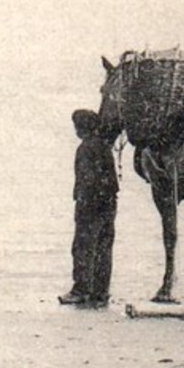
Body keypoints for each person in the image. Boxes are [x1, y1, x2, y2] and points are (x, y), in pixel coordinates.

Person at [59, 108, 117, 308]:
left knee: (82, 247)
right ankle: (100, 293)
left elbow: (86, 180)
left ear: (81, 128)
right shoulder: (104, 146)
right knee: (103, 247)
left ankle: (81, 290)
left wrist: (82, 203)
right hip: (108, 204)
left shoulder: (85, 148)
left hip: (90, 205)